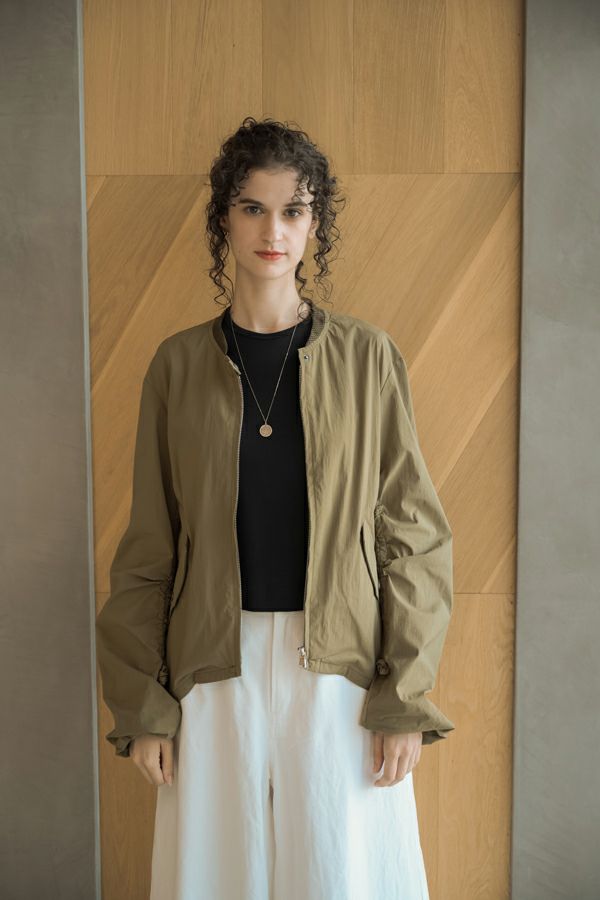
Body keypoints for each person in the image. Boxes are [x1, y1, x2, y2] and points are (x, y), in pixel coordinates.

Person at [96, 116, 455, 900]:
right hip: (211, 666)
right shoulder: (177, 367)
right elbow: (150, 547)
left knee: (339, 876)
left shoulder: (367, 358)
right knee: (213, 878)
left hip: (340, 669)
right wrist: (144, 705)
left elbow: (413, 537)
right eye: (253, 208)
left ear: (314, 223)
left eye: (293, 210)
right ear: (224, 218)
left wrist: (402, 699)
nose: (273, 231)